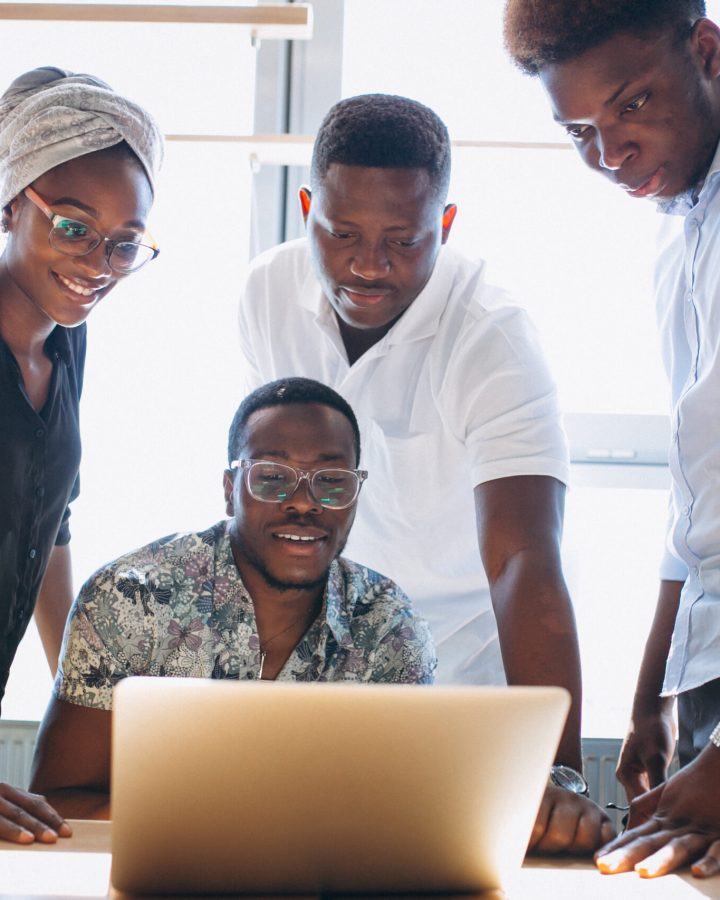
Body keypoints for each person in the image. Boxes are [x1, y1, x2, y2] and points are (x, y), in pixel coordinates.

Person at [238, 92, 613, 854]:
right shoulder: (267, 293)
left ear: (443, 225)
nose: (367, 265)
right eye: (341, 233)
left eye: (402, 241)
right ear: (306, 207)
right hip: (312, 684)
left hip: (457, 686)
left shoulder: (492, 338)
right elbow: (267, 504)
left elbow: (522, 559)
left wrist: (561, 776)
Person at [504, 0, 720, 879]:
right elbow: (696, 500)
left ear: (706, 49)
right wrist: (651, 700)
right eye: (579, 131)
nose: (608, 153)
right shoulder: (680, 244)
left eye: (631, 103)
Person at [27, 377, 436, 820]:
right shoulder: (129, 598)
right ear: (229, 490)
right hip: (162, 880)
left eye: (331, 481)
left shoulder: (389, 625)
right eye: (273, 478)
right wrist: (222, 823)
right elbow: (59, 806)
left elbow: (403, 817)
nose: (303, 503)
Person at [0, 66, 163, 843]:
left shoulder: (66, 343)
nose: (98, 263)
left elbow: (47, 525)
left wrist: (92, 704)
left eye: (124, 244)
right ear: (9, 202)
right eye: (72, 226)